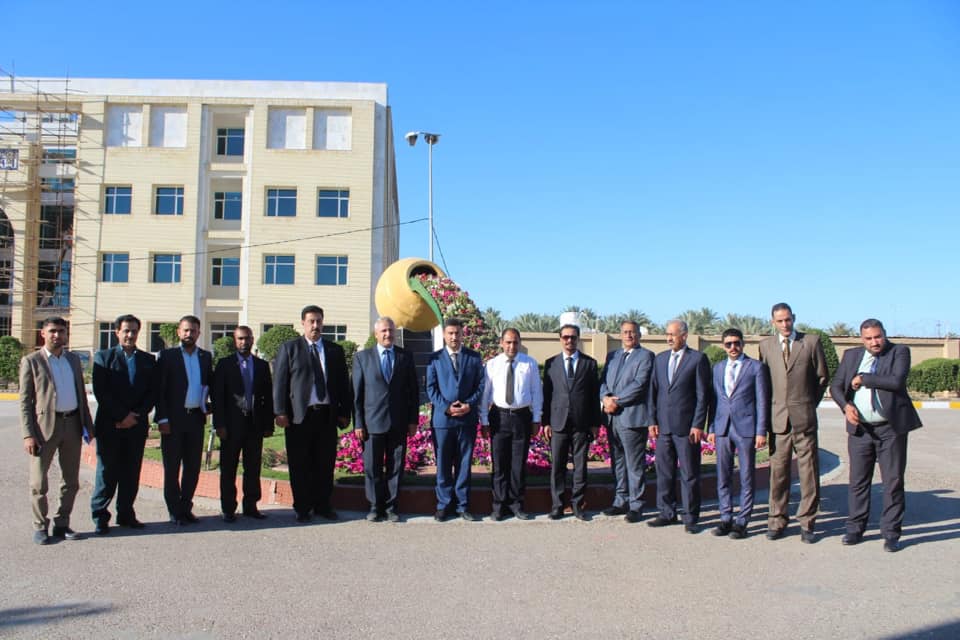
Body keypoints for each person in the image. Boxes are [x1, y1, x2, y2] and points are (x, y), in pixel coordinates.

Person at [830, 319, 922, 553]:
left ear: (884, 334)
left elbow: (896, 381)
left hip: (890, 429)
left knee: (893, 481)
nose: (874, 342)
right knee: (858, 481)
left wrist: (863, 379)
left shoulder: (899, 352)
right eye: (869, 338)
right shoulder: (851, 355)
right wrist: (845, 406)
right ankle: (855, 528)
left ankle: (891, 533)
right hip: (861, 430)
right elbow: (836, 386)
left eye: (878, 337)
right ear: (862, 339)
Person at [273, 305, 352, 522]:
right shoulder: (290, 348)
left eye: (319, 321)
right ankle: (302, 507)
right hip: (299, 417)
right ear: (303, 323)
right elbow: (279, 383)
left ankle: (323, 506)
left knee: (325, 464)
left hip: (326, 416)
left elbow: (343, 384)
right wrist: (280, 411)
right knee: (300, 464)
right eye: (311, 321)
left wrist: (344, 412)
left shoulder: (334, 350)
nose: (315, 325)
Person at [758, 302, 829, 543]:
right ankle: (776, 520)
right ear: (772, 322)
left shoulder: (811, 342)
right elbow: (764, 383)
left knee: (808, 473)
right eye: (780, 321)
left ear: (794, 318)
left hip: (804, 419)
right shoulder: (765, 346)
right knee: (778, 473)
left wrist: (807, 403)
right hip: (778, 421)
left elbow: (822, 378)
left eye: (788, 319)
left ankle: (807, 523)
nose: (785, 324)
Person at [20, 316, 94, 544]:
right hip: (43, 429)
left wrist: (87, 424)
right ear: (43, 333)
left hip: (72, 424)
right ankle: (40, 526)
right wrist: (28, 434)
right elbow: (25, 402)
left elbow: (81, 395)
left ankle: (62, 523)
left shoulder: (72, 360)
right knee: (38, 482)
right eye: (52, 331)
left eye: (61, 331)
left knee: (71, 480)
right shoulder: (32, 361)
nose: (57, 335)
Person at [91, 314, 156, 535]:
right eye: (126, 330)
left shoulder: (148, 360)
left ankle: (126, 514)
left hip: (136, 426)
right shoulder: (103, 358)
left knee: (131, 472)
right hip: (110, 426)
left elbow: (152, 392)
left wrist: (135, 416)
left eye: (134, 331)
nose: (130, 335)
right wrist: (121, 416)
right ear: (117, 332)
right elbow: (102, 392)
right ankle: (100, 516)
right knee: (107, 473)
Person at [352, 317, 419, 522]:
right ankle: (374, 506)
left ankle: (391, 507)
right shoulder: (362, 358)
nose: (388, 334)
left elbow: (413, 391)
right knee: (372, 467)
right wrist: (358, 423)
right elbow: (357, 394)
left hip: (398, 422)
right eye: (384, 331)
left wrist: (413, 420)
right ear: (376, 334)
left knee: (395, 467)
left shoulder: (405, 356)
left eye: (390, 330)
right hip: (372, 423)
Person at [648, 320, 711, 533]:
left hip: (686, 429)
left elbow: (703, 396)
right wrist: (652, 421)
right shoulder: (660, 359)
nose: (669, 338)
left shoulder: (697, 359)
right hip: (663, 428)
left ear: (684, 336)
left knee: (689, 474)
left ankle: (690, 517)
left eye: (673, 335)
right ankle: (666, 513)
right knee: (664, 472)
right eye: (667, 334)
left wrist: (698, 424)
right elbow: (653, 392)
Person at [707, 328, 769, 539]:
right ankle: (726, 518)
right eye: (728, 344)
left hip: (746, 428)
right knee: (723, 475)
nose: (733, 347)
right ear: (723, 346)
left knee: (746, 476)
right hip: (722, 428)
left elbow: (762, 401)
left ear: (743, 344)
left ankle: (742, 521)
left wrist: (761, 431)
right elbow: (714, 401)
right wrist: (712, 428)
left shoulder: (756, 367)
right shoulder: (717, 368)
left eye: (736, 343)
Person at [211, 325, 274, 522]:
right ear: (234, 340)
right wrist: (219, 424)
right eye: (240, 339)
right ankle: (228, 508)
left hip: (255, 425)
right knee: (228, 468)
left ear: (252, 339)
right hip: (231, 426)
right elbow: (217, 397)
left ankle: (251, 506)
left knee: (253, 468)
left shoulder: (262, 365)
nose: (244, 342)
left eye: (247, 338)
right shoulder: (224, 365)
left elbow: (267, 397)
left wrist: (268, 425)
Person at [155, 315, 213, 525]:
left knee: (192, 467)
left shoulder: (205, 357)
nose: (189, 334)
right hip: (173, 420)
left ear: (199, 333)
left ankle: (186, 507)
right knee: (172, 468)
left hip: (195, 419)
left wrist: (210, 406)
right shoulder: (167, 356)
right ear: (179, 332)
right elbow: (159, 390)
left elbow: (209, 385)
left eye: (193, 331)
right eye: (186, 330)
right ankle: (175, 510)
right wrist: (162, 418)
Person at [425, 317, 485, 522]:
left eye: (457, 333)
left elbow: (480, 385)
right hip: (443, 421)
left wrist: (469, 404)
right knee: (443, 465)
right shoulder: (434, 359)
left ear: (462, 334)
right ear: (444, 335)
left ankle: (462, 505)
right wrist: (446, 407)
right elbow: (431, 388)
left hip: (467, 420)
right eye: (450, 333)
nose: (454, 337)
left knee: (464, 464)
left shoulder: (474, 358)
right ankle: (443, 505)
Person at [479, 328, 542, 521]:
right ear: (501, 343)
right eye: (508, 342)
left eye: (515, 342)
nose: (511, 346)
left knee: (518, 464)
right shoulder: (492, 365)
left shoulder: (529, 363)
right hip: (499, 416)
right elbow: (485, 395)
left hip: (521, 417)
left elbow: (537, 392)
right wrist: (484, 420)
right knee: (499, 464)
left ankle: (516, 504)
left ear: (519, 343)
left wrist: (536, 419)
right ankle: (498, 505)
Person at [542, 324, 601, 521]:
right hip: (558, 422)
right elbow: (547, 395)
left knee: (580, 466)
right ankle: (557, 506)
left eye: (573, 337)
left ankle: (577, 505)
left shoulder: (589, 364)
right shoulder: (551, 363)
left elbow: (594, 396)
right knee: (558, 466)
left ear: (578, 339)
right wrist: (546, 422)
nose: (569, 340)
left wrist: (595, 423)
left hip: (581, 423)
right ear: (560, 339)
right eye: (566, 337)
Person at [599, 320, 655, 523]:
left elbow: (640, 384)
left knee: (634, 464)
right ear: (620, 334)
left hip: (632, 417)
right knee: (618, 462)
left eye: (632, 332)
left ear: (639, 334)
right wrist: (605, 398)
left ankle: (636, 505)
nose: (629, 335)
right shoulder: (612, 356)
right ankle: (620, 501)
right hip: (612, 418)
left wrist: (616, 401)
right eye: (625, 332)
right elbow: (603, 381)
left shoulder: (646, 356)